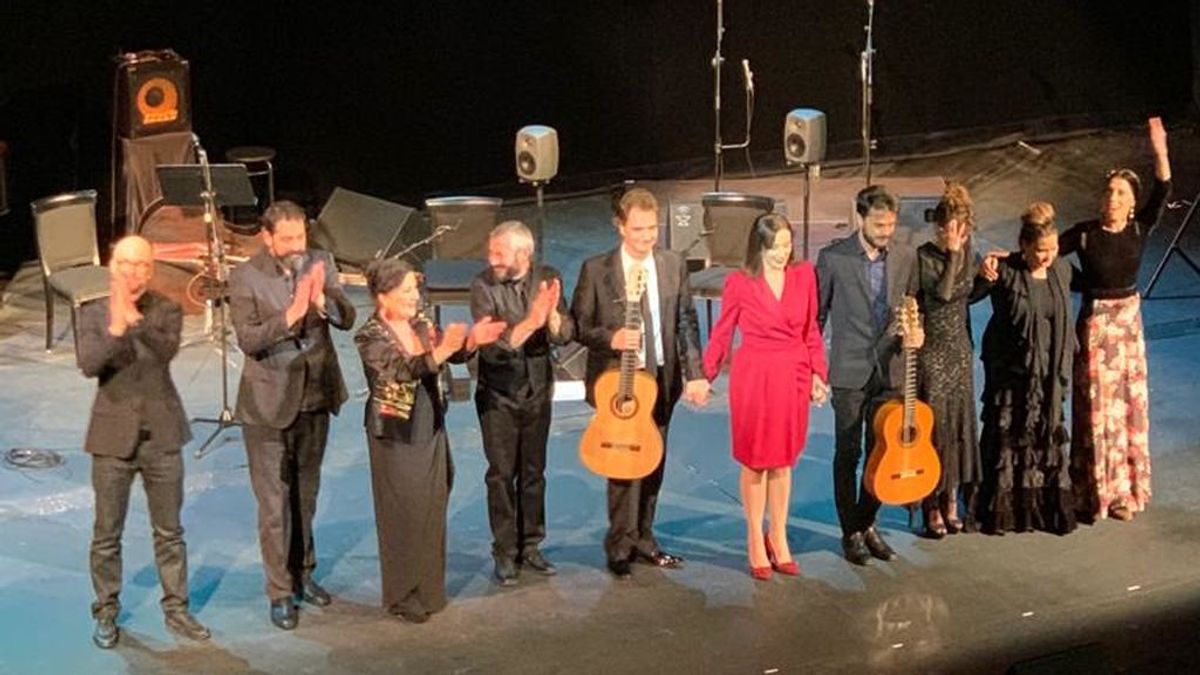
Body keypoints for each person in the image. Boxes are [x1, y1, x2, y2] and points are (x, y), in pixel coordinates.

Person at [228, 200, 356, 630]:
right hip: (267, 403)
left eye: (300, 236)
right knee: (274, 503)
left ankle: (304, 573)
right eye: (287, 239)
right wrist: (293, 314)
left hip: (315, 395)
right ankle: (280, 591)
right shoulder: (245, 276)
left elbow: (347, 318)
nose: (296, 245)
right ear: (267, 237)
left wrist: (321, 299)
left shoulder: (321, 261)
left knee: (306, 495)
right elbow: (248, 339)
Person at [76, 235, 210, 648]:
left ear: (150, 271)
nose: (133, 273)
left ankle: (177, 608)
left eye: (141, 266)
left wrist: (132, 319)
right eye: (125, 264)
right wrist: (116, 326)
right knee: (106, 534)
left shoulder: (166, 309)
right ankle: (106, 611)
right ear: (112, 267)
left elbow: (164, 351)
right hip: (112, 438)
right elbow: (89, 364)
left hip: (162, 435)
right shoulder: (92, 312)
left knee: (169, 531)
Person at [571, 187, 710, 580]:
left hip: (661, 378)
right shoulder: (597, 269)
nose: (647, 237)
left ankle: (644, 537)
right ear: (620, 227)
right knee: (621, 461)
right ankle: (619, 542)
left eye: (652, 228)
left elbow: (685, 320)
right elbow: (578, 326)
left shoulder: (671, 263)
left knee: (653, 460)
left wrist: (695, 373)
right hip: (617, 382)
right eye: (638, 229)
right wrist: (611, 338)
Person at [356, 259, 505, 622]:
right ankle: (403, 594)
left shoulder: (421, 323)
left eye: (414, 289)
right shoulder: (370, 336)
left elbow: (449, 352)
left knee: (432, 503)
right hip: (397, 433)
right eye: (405, 291)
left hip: (431, 423)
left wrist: (471, 341)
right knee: (403, 513)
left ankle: (429, 588)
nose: (414, 296)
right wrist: (440, 351)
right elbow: (401, 371)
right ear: (382, 297)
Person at [702, 213, 827, 580]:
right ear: (759, 248)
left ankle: (779, 533)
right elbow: (722, 332)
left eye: (787, 245)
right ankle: (755, 536)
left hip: (793, 374)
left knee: (783, 459)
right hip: (755, 376)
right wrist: (704, 374)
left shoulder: (804, 276)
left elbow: (811, 329)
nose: (782, 254)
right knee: (757, 460)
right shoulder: (739, 282)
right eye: (775, 248)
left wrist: (819, 371)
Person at [1062, 117, 1172, 523]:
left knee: (1124, 409)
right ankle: (1092, 490)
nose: (1112, 197)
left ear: (1130, 202)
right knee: (1096, 410)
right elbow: (1046, 256)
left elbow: (1163, 191)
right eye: (1109, 191)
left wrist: (1160, 153)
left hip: (1128, 327)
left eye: (1121, 193)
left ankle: (1124, 493)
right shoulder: (1086, 234)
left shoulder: (1139, 229)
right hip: (1095, 327)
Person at [816, 184, 922, 566]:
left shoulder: (906, 257)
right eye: (879, 224)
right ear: (860, 218)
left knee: (885, 450)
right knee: (848, 452)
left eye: (891, 224)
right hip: (849, 369)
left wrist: (916, 331)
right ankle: (851, 532)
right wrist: (815, 368)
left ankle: (868, 522)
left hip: (890, 370)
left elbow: (913, 304)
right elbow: (818, 315)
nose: (886, 231)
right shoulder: (833, 258)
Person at [470, 221, 575, 586]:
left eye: (499, 253)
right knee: (501, 474)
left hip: (536, 389)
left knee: (533, 472)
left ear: (524, 254)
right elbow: (497, 345)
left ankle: (531, 544)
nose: (491, 258)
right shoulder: (483, 286)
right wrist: (533, 321)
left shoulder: (548, 278)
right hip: (498, 393)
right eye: (491, 251)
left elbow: (565, 333)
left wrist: (554, 316)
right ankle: (504, 550)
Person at [975, 202, 1076, 536]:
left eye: (1053, 249)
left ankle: (1040, 508)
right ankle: (1005, 511)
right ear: (1024, 245)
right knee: (1008, 440)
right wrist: (982, 266)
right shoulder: (1006, 272)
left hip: (1048, 376)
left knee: (1042, 436)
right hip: (1011, 373)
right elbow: (967, 295)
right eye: (1040, 250)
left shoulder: (1062, 271)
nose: (1047, 256)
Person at [914, 183, 994, 537]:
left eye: (963, 229)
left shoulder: (968, 252)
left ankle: (951, 501)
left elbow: (965, 298)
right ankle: (931, 503)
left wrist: (986, 282)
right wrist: (953, 254)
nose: (958, 235)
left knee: (959, 427)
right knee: (936, 428)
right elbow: (944, 293)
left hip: (960, 350)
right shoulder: (926, 255)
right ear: (940, 227)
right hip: (932, 352)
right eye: (951, 228)